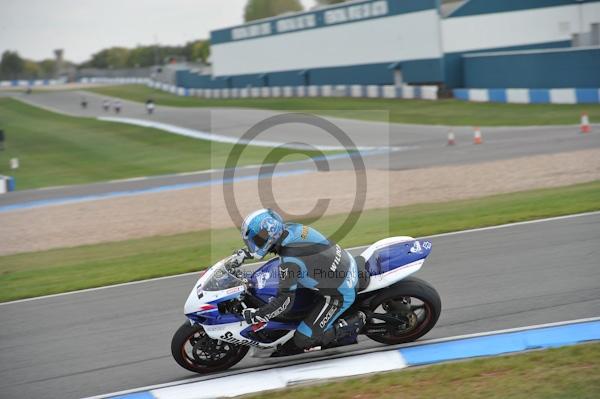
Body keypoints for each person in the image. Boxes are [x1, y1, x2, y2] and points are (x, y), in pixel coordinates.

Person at [234, 209, 366, 356]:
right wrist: (245, 254)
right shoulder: (292, 228)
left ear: (269, 235)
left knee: (303, 340)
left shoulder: (290, 260)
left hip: (340, 292)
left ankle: (350, 325)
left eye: (256, 240)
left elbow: (285, 301)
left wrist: (258, 315)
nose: (254, 244)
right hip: (342, 265)